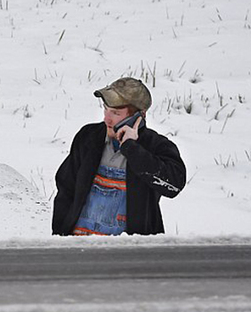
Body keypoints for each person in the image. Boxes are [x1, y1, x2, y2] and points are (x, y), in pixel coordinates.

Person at [52, 77, 186, 236]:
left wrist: (132, 149)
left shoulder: (155, 146)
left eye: (116, 113)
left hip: (126, 253)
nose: (107, 119)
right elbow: (66, 188)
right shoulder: (88, 137)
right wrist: (60, 236)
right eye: (105, 109)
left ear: (138, 117)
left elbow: (174, 186)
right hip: (79, 245)